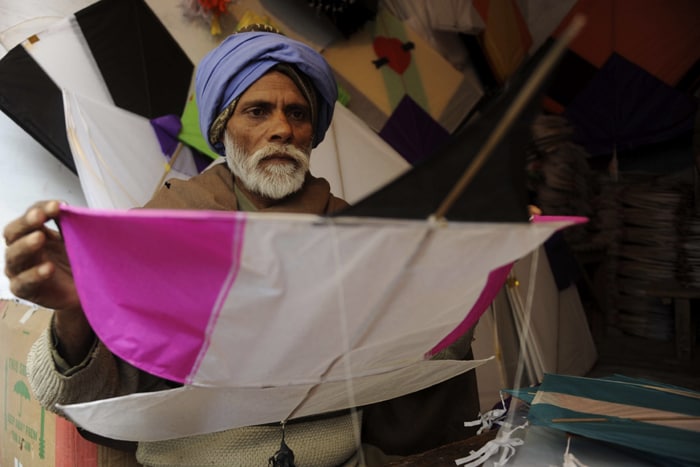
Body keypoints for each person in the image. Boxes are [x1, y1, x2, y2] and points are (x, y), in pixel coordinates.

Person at [4, 25, 482, 467]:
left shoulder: (356, 235)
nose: (282, 129)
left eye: (297, 113)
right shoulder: (161, 232)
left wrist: (463, 277)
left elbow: (412, 359)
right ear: (222, 130)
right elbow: (75, 394)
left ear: (312, 132)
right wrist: (74, 312)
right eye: (258, 111)